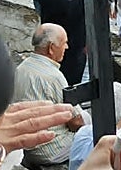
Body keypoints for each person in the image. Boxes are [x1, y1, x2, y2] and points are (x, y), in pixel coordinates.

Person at [11, 23, 86, 167]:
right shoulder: (54, 77)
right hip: (51, 149)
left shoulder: (20, 69)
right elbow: (76, 122)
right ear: (51, 48)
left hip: (26, 146)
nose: (67, 47)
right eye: (64, 43)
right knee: (91, 136)